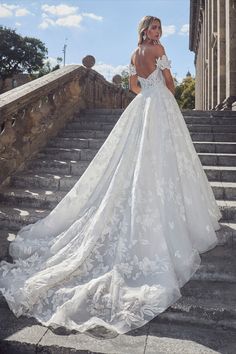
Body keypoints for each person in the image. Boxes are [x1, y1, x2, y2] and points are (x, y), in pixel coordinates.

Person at [0, 15, 222, 336]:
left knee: (137, 158)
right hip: (160, 106)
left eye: (158, 29)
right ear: (147, 30)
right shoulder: (158, 49)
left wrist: (148, 84)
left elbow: (133, 87)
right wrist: (162, 79)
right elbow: (171, 84)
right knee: (164, 156)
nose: (157, 33)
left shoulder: (134, 54)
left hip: (142, 104)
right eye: (154, 28)